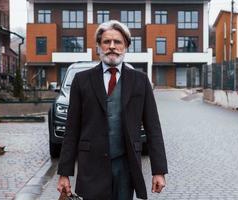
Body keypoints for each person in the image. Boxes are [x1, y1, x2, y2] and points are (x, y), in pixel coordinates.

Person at [57, 20, 168, 200]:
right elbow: (72, 130)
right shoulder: (81, 80)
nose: (112, 47)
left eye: (117, 42)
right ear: (98, 46)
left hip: (126, 166)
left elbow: (153, 127)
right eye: (106, 42)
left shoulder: (140, 81)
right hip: (91, 167)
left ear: (126, 46)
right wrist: (64, 173)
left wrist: (159, 171)